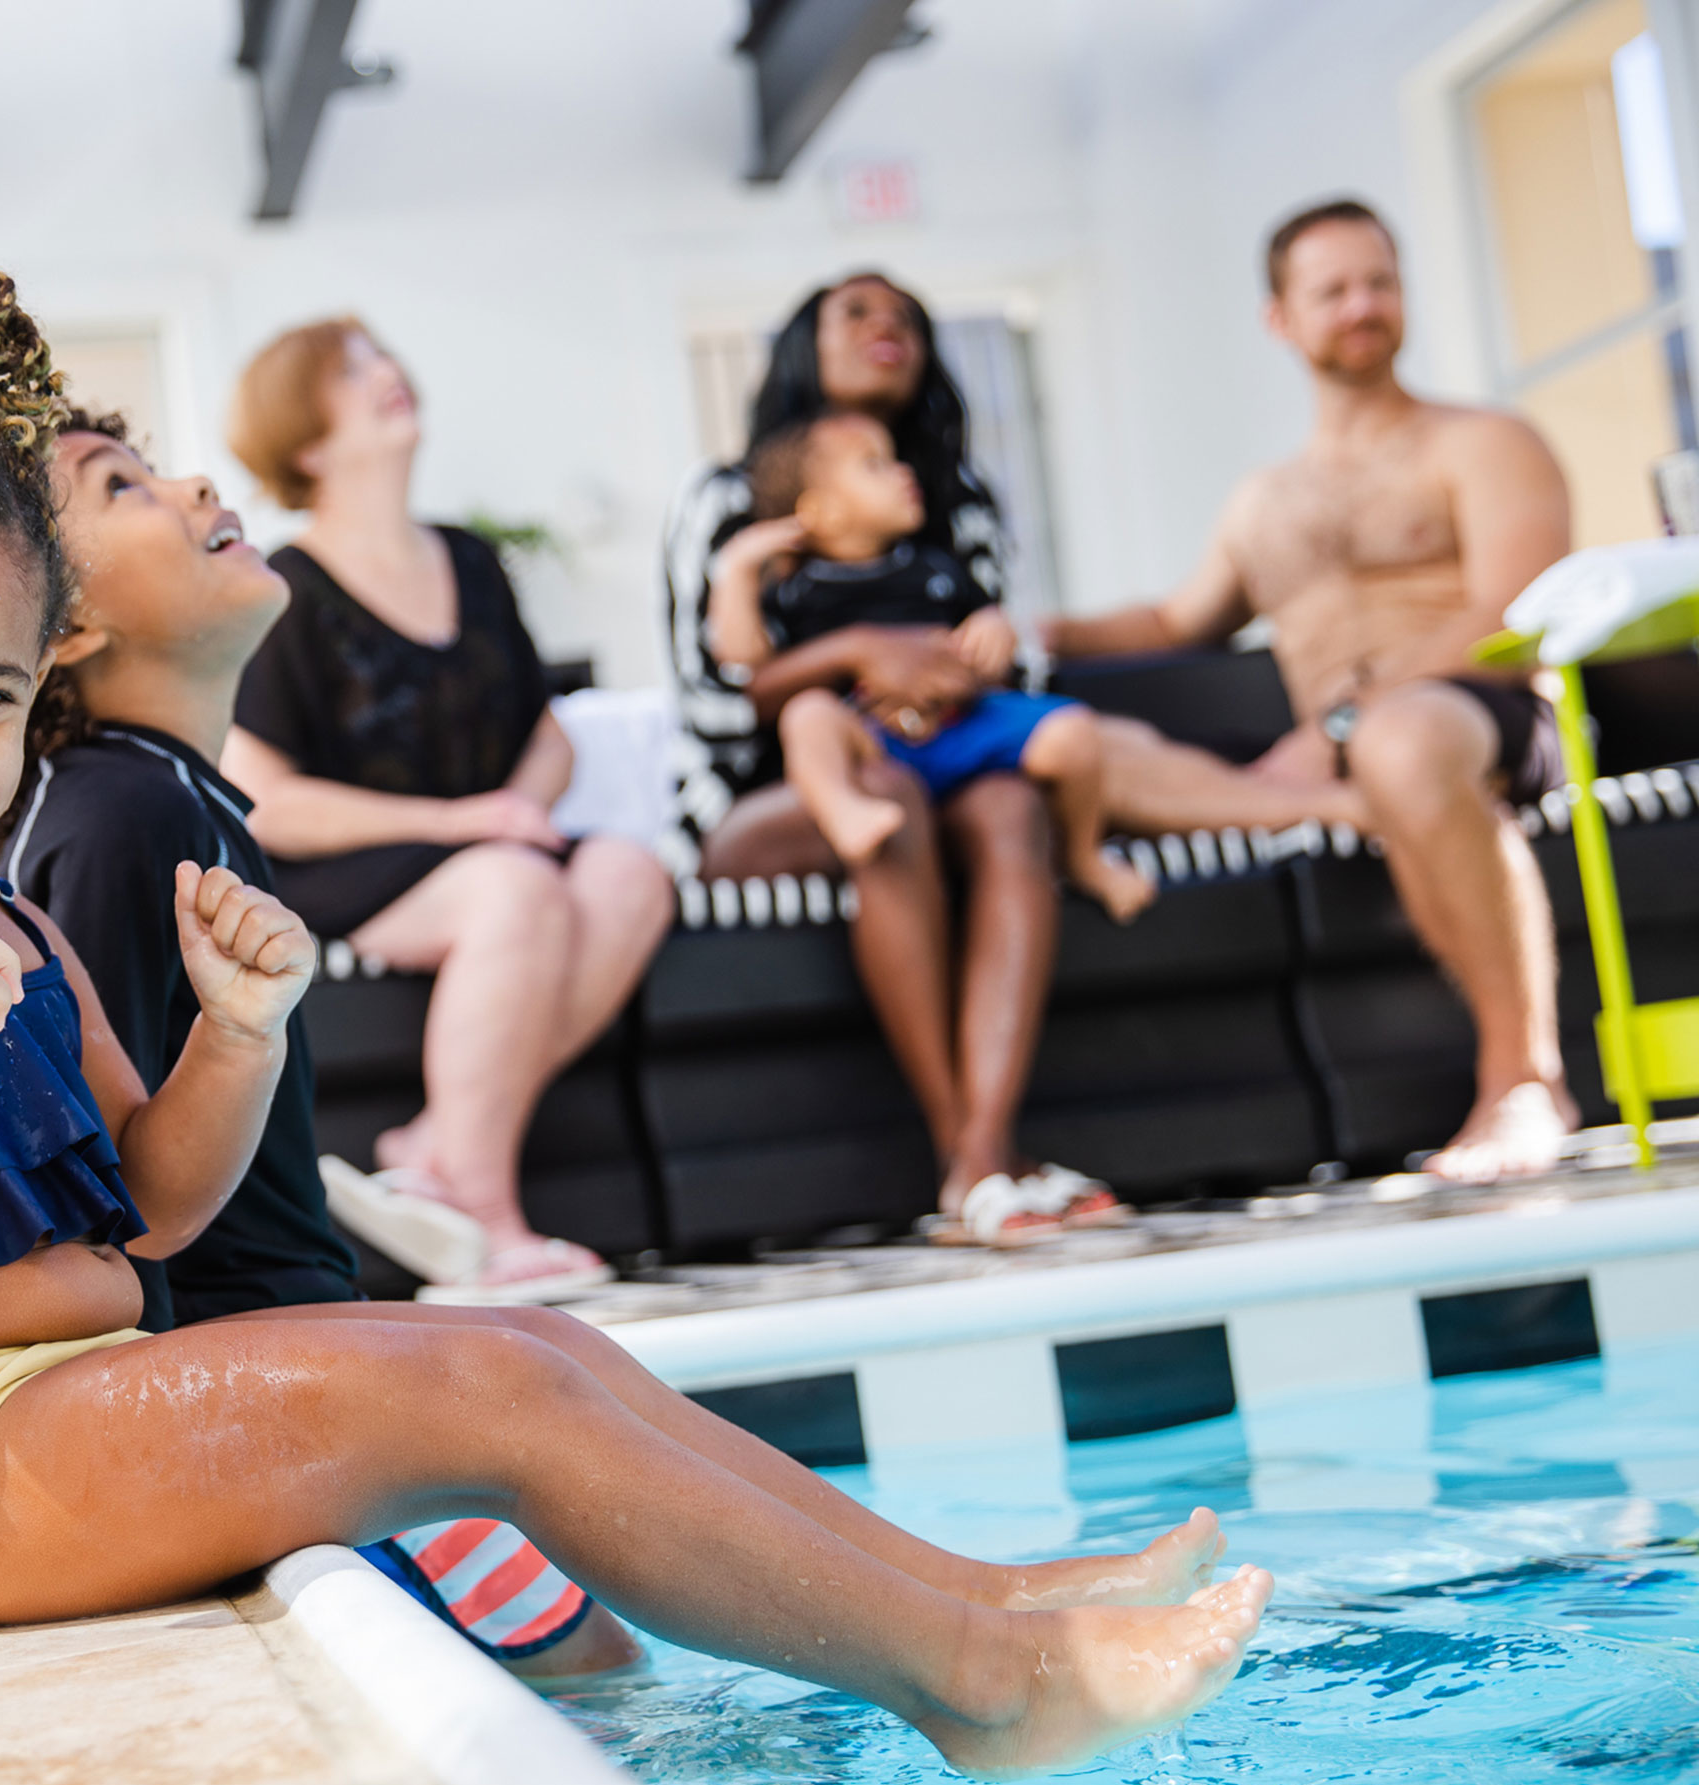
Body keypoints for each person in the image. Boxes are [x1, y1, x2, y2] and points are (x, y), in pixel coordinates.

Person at [0, 256, 1271, 1781]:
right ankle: (978, 1687)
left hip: (91, 1392)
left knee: (550, 1356)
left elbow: (153, 1205)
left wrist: (239, 1032)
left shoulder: (11, 924)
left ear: (37, 679)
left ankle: (978, 1599)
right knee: (493, 1397)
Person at [0, 408, 642, 1680]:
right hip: (273, 1385)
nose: (189, 484)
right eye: (121, 488)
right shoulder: (125, 817)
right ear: (68, 631)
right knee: (593, 1662)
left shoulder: (168, 796)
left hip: (299, 1347)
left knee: (561, 1383)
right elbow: (105, 1188)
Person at [1046, 200, 1576, 1182]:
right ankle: (1349, 797)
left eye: (1379, 281)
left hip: (1475, 714)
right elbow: (1172, 625)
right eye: (1332, 290)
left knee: (1399, 745)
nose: (1361, 305)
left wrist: (1340, 727)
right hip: (1345, 756)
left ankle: (1525, 1083)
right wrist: (1042, 632)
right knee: (1081, 748)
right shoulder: (1264, 501)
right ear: (1280, 318)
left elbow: (1515, 608)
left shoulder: (1482, 441)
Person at [220, 317, 674, 1298]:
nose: (388, 370)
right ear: (305, 442)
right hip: (349, 862)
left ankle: (437, 1141)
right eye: (350, 371)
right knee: (514, 889)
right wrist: (466, 825)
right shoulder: (282, 589)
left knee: (631, 871)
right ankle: (488, 1211)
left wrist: (515, 803)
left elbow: (547, 731)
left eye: (380, 354)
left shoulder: (471, 560)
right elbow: (268, 806)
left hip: (485, 847)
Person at [665, 274, 1109, 1246]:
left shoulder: (955, 497)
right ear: (799, 347)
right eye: (856, 314)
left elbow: (1013, 659)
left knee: (1010, 810)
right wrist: (856, 663)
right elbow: (712, 697)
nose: (886, 330)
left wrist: (943, 680)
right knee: (889, 797)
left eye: (905, 318)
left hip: (944, 756)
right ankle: (977, 1159)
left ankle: (982, 1155)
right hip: (781, 795)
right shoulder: (728, 501)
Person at [737, 411, 1157, 924]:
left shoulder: (935, 568)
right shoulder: (797, 590)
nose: (902, 473)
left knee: (1075, 732)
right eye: (874, 465)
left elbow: (981, 618)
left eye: (894, 458)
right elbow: (747, 660)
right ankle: (843, 812)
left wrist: (993, 630)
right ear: (822, 514)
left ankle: (1082, 855)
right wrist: (736, 569)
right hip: (874, 740)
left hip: (962, 725)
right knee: (808, 715)